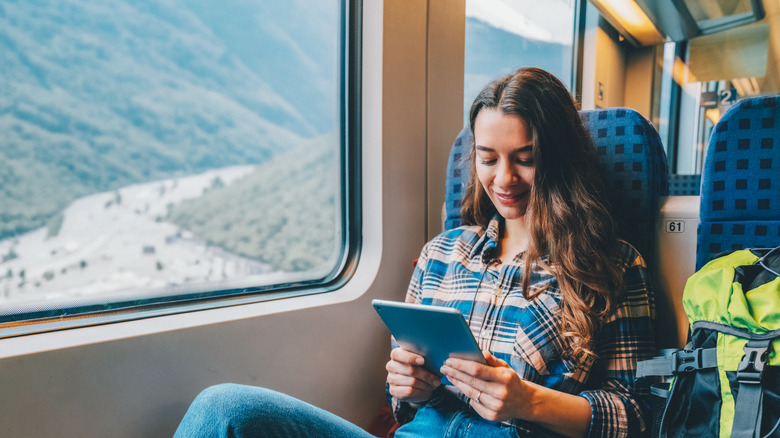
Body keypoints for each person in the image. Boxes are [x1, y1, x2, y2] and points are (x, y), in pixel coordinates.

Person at [173, 67, 656, 438]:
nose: (503, 180)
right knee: (225, 409)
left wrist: (528, 401)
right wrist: (407, 387)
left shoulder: (612, 265)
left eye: (525, 160)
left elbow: (637, 415)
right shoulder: (441, 255)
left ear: (560, 162)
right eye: (488, 159)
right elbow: (402, 399)